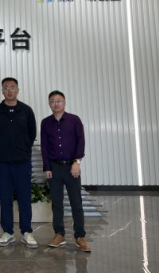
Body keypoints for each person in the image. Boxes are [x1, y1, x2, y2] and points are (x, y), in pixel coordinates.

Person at [0, 77, 38, 248]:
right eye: (6, 87)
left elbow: (32, 133)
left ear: (17, 90)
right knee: (5, 198)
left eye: (12, 87)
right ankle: (8, 232)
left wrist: (22, 149)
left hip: (23, 162)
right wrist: (4, 149)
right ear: (2, 90)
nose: (9, 90)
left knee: (24, 198)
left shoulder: (26, 110)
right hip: (3, 162)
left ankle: (27, 232)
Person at [41, 90, 91, 252]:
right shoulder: (45, 123)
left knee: (76, 202)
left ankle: (80, 236)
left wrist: (77, 162)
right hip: (54, 168)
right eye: (52, 101)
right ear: (49, 104)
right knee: (57, 203)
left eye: (59, 101)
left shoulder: (74, 120)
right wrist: (47, 167)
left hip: (71, 167)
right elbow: (44, 147)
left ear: (64, 102)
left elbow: (80, 141)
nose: (56, 104)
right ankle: (59, 234)